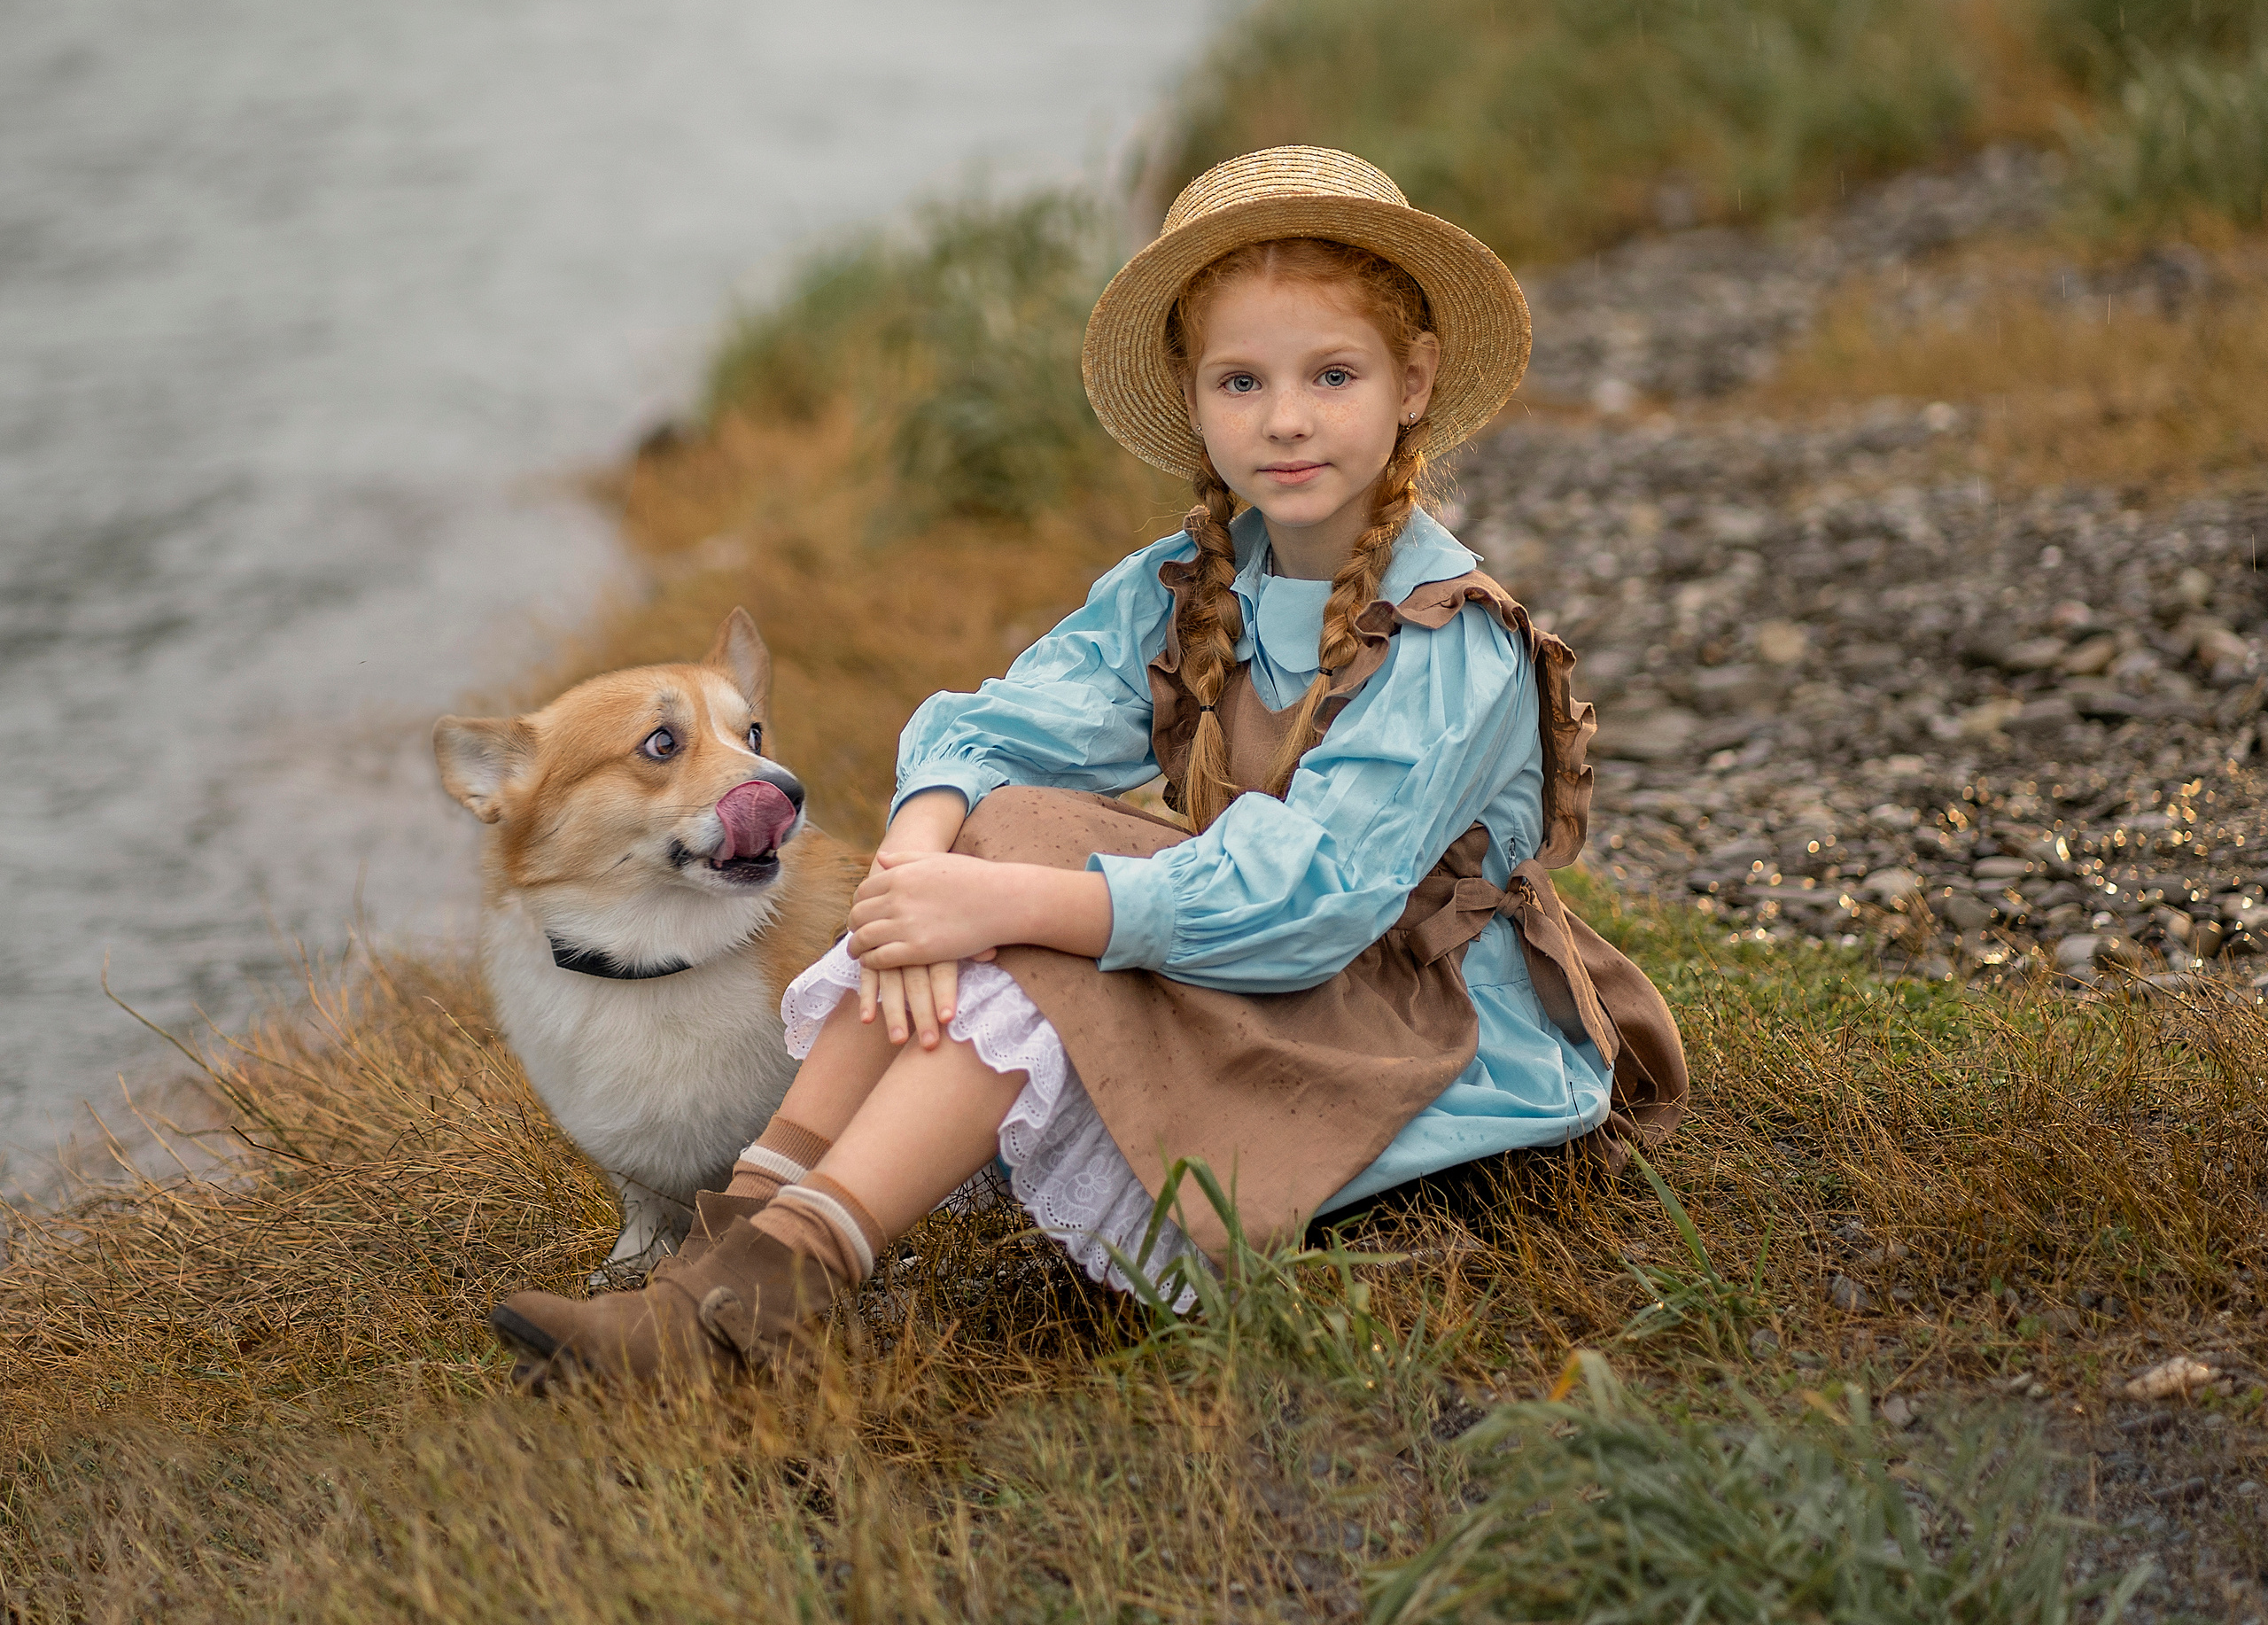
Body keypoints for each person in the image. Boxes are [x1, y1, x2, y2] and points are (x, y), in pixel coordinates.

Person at [490, 146, 1686, 1388]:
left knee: (1028, 900)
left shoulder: (1451, 639)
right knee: (992, 822)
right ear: (1193, 394)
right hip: (1278, 972)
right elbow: (994, 724)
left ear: (1414, 380)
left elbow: (1313, 900)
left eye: (1333, 374)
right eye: (1242, 379)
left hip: (1410, 1023)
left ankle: (762, 1290)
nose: (1285, 417)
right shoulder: (1196, 583)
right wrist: (916, 861)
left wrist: (1003, 902)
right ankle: (735, 1257)